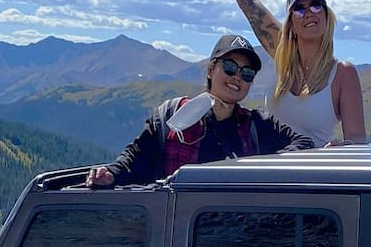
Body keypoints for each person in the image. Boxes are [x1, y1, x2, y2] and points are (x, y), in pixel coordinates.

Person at [199, 0, 366, 148]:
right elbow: (251, 5)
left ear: (327, 16)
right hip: (272, 174)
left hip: (315, 177)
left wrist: (342, 147)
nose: (309, 12)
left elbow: (357, 140)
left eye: (316, 5)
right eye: (299, 8)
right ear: (291, 23)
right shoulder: (282, 54)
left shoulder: (343, 74)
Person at [86, 34, 313, 187]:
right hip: (179, 233)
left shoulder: (257, 124)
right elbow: (136, 157)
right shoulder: (170, 116)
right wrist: (111, 172)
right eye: (230, 67)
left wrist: (264, 167)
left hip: (237, 236)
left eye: (246, 74)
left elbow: (303, 143)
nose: (237, 77)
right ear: (211, 70)